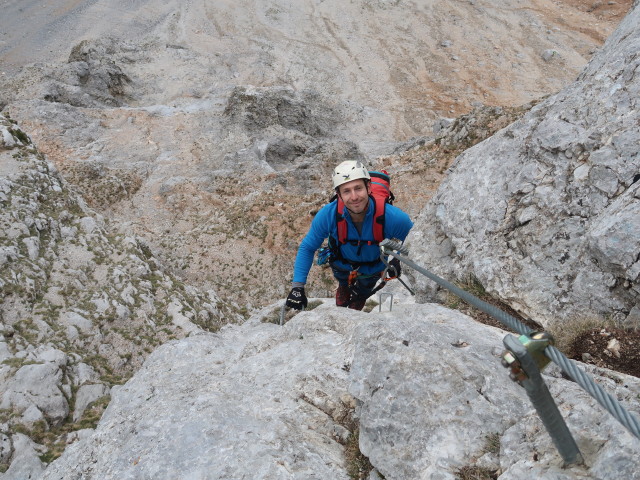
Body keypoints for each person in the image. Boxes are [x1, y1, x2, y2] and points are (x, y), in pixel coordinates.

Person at [285, 160, 413, 311]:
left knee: (364, 289)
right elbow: (307, 247)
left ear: (369, 187)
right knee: (342, 279)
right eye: (346, 191)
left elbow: (415, 240)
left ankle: (359, 296)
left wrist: (399, 260)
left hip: (373, 268)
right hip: (341, 263)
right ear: (338, 195)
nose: (354, 197)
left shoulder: (392, 217)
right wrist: (297, 287)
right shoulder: (329, 215)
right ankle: (344, 287)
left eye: (358, 188)